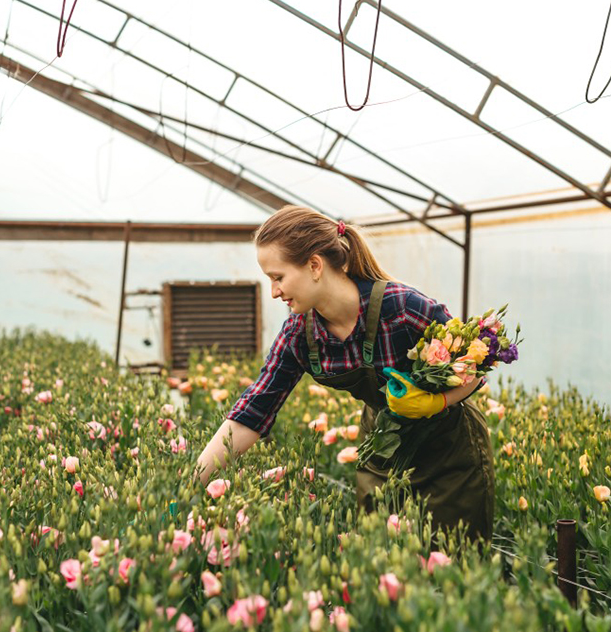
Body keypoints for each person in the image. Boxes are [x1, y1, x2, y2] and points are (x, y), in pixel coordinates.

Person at [194, 206, 495, 542]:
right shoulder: (300, 334)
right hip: (383, 446)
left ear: (314, 265)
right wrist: (192, 484)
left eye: (278, 277)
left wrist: (435, 402)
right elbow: (253, 411)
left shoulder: (401, 307)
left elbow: (475, 366)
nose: (274, 292)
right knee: (380, 563)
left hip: (449, 452)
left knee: (452, 563)